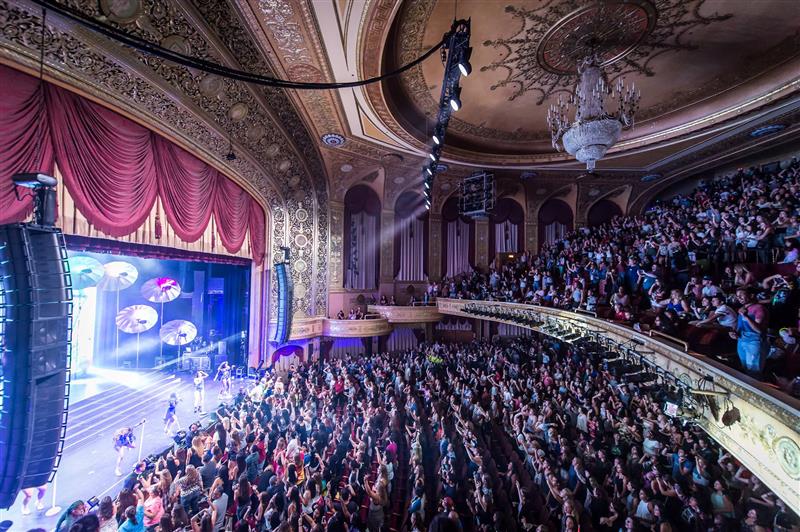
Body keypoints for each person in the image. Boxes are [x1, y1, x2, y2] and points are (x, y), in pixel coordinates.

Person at [731, 288, 769, 376]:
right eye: (737, 296)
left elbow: (759, 330)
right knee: (745, 369)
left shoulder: (759, 309)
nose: (739, 298)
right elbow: (740, 326)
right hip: (741, 340)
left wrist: (745, 316)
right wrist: (734, 332)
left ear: (751, 295)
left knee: (754, 372)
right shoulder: (742, 308)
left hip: (754, 342)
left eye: (741, 295)